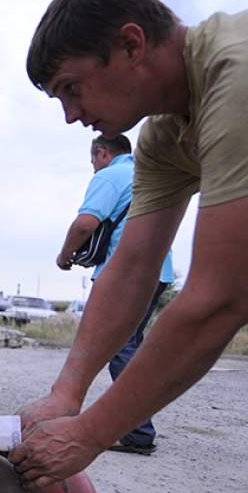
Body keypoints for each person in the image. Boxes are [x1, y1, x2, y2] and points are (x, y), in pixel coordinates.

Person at [10, 0, 248, 490]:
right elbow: (132, 266)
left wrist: (89, 433)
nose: (71, 115)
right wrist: (67, 392)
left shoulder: (243, 74)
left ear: (131, 44)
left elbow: (219, 301)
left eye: (71, 89)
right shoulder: (165, 136)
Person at [56, 133, 175, 454]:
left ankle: (137, 433)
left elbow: (85, 224)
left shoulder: (112, 175)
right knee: (130, 345)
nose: (93, 167)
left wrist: (64, 255)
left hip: (127, 273)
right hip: (159, 271)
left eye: (93, 160)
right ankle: (135, 424)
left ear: (103, 153)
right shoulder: (151, 173)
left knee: (119, 347)